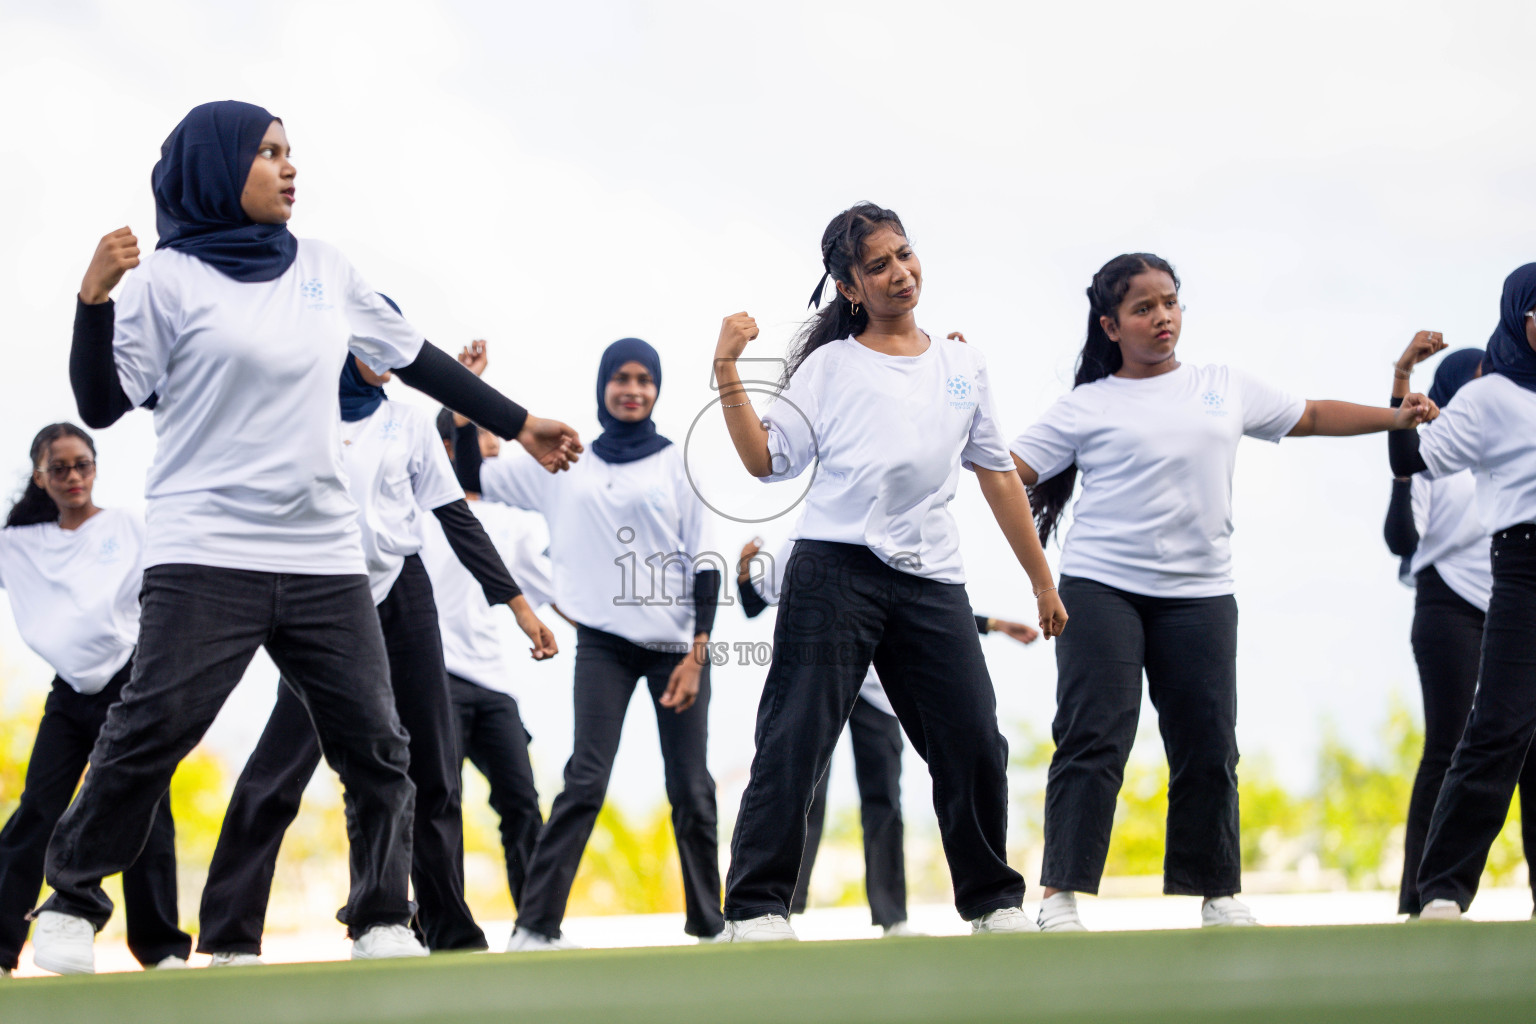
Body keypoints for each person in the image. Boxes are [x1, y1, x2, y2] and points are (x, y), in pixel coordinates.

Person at [33, 100, 580, 974]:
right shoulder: (167, 282)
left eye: (291, 151)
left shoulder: (326, 269)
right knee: (153, 725)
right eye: (268, 152)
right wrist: (92, 300)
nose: (290, 167)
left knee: (377, 743)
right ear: (217, 169)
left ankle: (380, 919)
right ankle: (70, 901)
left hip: (324, 554)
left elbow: (416, 357)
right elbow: (102, 403)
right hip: (206, 549)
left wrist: (519, 423)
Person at [1011, 252, 1437, 932]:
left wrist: (1396, 417)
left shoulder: (1222, 386)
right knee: (1094, 736)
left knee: (1210, 742)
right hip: (1100, 589)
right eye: (1143, 308)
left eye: (1170, 302)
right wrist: (1039, 577)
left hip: (1201, 593)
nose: (1161, 317)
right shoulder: (1086, 405)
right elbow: (1008, 471)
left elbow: (1313, 416)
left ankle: (1217, 892)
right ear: (1111, 326)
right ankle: (1059, 895)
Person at [713, 202, 1067, 943]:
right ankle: (755, 907)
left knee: (973, 736)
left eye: (903, 255)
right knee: (794, 737)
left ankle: (993, 901)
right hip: (833, 571)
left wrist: (1041, 579)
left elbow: (998, 475)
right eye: (877, 265)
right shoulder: (831, 367)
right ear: (849, 287)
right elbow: (766, 462)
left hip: (931, 580)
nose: (899, 273)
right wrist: (726, 371)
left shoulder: (963, 366)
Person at [196, 340, 558, 964]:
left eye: (393, 345)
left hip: (402, 594)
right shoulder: (298, 411)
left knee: (433, 772)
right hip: (321, 599)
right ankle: (230, 934)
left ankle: (434, 929)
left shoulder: (410, 419)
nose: (387, 355)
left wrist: (520, 608)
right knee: (281, 768)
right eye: (371, 344)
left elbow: (456, 516)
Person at [454, 338, 725, 949]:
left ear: (657, 389)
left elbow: (705, 563)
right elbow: (473, 474)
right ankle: (536, 927)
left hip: (676, 649)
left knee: (691, 788)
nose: (633, 390)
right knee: (585, 779)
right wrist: (467, 410)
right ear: (603, 386)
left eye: (644, 380)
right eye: (621, 379)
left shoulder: (677, 464)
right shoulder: (564, 461)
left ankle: (711, 928)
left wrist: (696, 655)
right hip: (603, 645)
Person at [735, 537, 1041, 936]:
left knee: (884, 800)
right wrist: (745, 570)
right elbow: (755, 601)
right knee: (807, 786)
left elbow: (928, 607)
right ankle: (777, 910)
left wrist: (993, 624)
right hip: (829, 674)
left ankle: (891, 914)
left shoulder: (912, 532)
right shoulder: (814, 533)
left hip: (880, 693)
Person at [0, 424, 192, 977]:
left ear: (95, 466)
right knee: (38, 810)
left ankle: (161, 951)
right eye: (59, 468)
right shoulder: (20, 546)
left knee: (147, 811)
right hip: (69, 694)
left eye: (82, 464)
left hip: (129, 686)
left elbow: (166, 593)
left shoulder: (127, 527)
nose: (73, 476)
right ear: (40, 476)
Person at [1390, 265, 1536, 921]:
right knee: (1496, 728)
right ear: (1520, 316)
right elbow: (1411, 461)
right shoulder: (1490, 397)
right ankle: (1442, 890)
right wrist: (1403, 399)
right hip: (1522, 566)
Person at [426, 406, 557, 913]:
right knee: (439, 803)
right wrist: (460, 401)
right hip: (437, 679)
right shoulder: (419, 513)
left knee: (521, 802)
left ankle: (537, 922)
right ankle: (438, 926)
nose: (497, 441)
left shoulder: (509, 523)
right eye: (484, 432)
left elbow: (552, 590)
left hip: (494, 684)